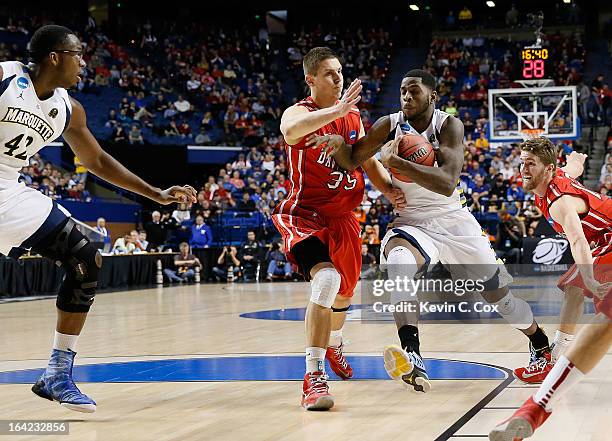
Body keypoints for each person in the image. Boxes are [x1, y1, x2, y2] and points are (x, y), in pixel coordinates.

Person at [318, 69, 587, 394]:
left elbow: (447, 184)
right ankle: (413, 354)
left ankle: (539, 342)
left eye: (413, 92)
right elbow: (353, 160)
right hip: (412, 219)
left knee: (499, 299)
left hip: (454, 220)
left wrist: (400, 166)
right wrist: (338, 147)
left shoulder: (449, 125)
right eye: (402, 91)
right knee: (400, 264)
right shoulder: (389, 125)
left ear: (432, 96)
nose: (406, 98)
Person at [0, 25, 196, 413]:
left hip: (8, 186)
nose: (84, 62)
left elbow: (98, 161)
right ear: (54, 57)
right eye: (77, 54)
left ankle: (57, 373)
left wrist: (156, 194)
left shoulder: (68, 110)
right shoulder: (5, 76)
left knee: (85, 257)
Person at [275, 46, 405, 410]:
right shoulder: (301, 112)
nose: (338, 78)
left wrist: (391, 192)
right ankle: (313, 376)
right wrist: (335, 110)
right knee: (327, 281)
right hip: (304, 215)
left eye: (340, 71)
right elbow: (288, 130)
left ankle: (334, 345)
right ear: (310, 79)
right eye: (330, 73)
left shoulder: (352, 119)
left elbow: (368, 162)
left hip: (344, 218)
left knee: (346, 294)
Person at [490, 137, 611, 440]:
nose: (523, 168)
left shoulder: (559, 202)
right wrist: (578, 162)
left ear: (547, 169)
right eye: (522, 161)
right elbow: (570, 169)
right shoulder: (553, 180)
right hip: (603, 239)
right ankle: (554, 358)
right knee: (571, 288)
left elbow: (578, 240)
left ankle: (552, 363)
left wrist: (592, 278)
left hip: (605, 237)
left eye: (530, 163)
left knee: (580, 287)